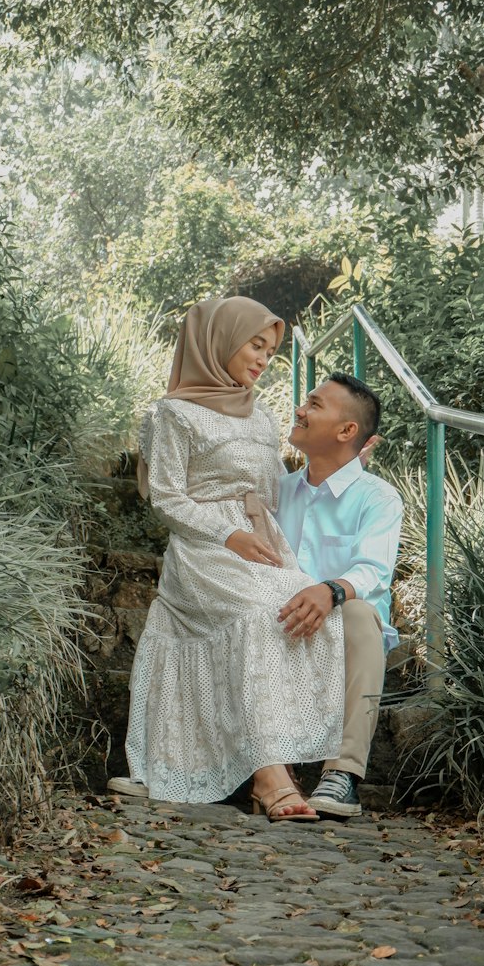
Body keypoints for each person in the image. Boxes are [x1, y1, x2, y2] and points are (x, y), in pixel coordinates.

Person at [118, 296, 346, 821]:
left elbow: (272, 490)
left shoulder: (262, 415)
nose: (264, 358)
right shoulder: (171, 413)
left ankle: (276, 760)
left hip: (263, 544)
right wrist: (228, 535)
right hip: (205, 551)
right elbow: (167, 497)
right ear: (218, 341)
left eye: (271, 350)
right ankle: (271, 779)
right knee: (258, 616)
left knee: (307, 608)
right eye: (256, 344)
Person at [275, 373, 403, 818]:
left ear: (348, 431)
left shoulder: (378, 498)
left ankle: (342, 774)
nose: (299, 410)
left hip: (343, 630)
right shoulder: (277, 492)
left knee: (363, 615)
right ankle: (269, 765)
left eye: (314, 404)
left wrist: (330, 591)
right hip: (281, 623)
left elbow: (373, 569)